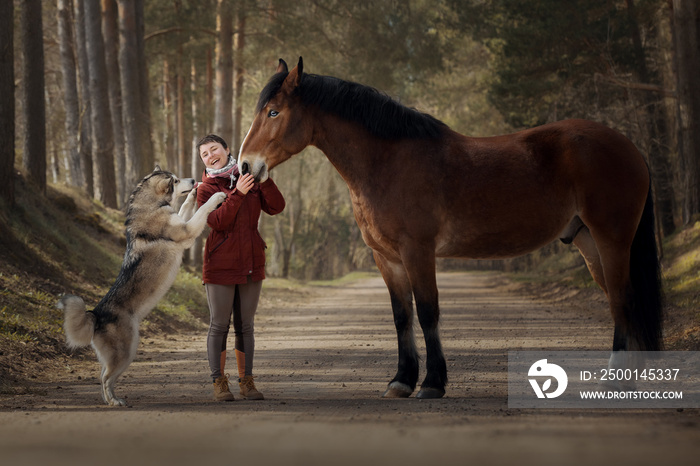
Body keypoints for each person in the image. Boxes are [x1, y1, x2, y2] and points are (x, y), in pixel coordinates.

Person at [196, 134, 285, 401]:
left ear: (227, 149)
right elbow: (217, 222)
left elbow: (277, 207)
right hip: (220, 266)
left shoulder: (251, 176)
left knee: (245, 325)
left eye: (214, 149)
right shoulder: (206, 189)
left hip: (251, 261)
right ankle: (219, 383)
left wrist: (265, 181)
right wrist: (238, 194)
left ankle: (247, 382)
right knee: (219, 324)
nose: (211, 155)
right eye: (205, 154)